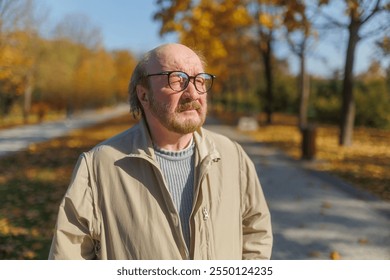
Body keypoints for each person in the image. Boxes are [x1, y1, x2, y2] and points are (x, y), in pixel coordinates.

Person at [49, 43, 273, 260]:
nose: (192, 93)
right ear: (144, 95)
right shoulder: (99, 166)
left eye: (200, 80)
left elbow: (256, 232)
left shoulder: (233, 156)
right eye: (177, 80)